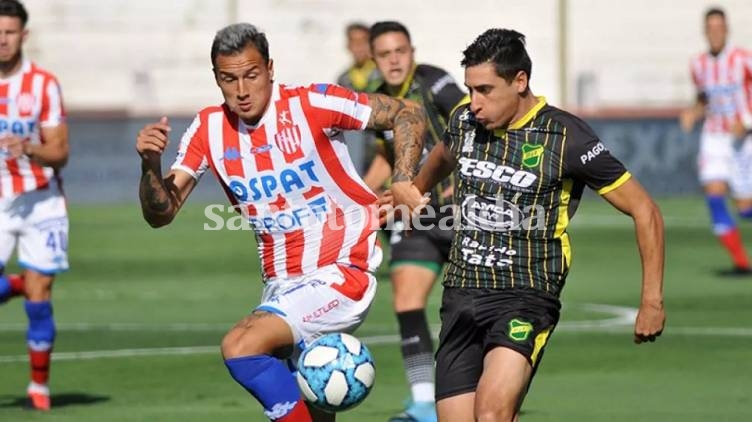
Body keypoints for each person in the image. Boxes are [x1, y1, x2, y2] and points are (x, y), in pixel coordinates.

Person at [135, 23, 425, 422]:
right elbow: (161, 213)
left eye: (251, 75)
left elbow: (407, 112)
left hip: (341, 273)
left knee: (241, 345)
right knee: (312, 408)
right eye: (228, 79)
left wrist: (404, 178)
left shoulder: (311, 105)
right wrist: (150, 165)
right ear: (216, 78)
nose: (241, 90)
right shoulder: (209, 129)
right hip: (281, 285)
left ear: (270, 69)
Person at [409, 29, 666, 421]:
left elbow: (645, 209)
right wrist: (415, 192)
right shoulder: (464, 121)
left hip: (525, 294)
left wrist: (650, 301)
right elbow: (444, 154)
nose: (474, 103)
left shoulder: (566, 137)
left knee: (492, 413)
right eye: (470, 89)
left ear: (520, 81)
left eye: (485, 90)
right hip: (461, 293)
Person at [361, 20, 465, 422]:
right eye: (385, 54)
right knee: (406, 298)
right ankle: (424, 403)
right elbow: (386, 159)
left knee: (470, 308)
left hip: (461, 211)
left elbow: (465, 121)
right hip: (416, 216)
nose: (394, 60)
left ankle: (476, 392)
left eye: (400, 51)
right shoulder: (377, 103)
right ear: (374, 59)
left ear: (412, 52)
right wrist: (360, 200)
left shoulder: (434, 82)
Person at [0, 0, 69, 412]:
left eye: (9, 32)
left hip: (41, 198)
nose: (1, 39)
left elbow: (60, 152)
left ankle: (39, 387)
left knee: (40, 297)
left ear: (23, 36)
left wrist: (29, 148)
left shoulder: (43, 85)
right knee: (32, 286)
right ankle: (21, 283)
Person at [680, 7, 752, 275]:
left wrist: (746, 123)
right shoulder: (698, 64)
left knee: (745, 209)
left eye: (719, 28)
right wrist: (693, 113)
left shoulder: (743, 59)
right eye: (710, 28)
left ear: (727, 29)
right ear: (705, 31)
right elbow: (703, 99)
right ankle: (742, 263)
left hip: (743, 140)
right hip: (714, 137)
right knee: (714, 195)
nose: (715, 33)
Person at [336, 22, 382, 176]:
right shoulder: (344, 79)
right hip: (355, 145)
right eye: (354, 42)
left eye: (363, 42)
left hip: (378, 139)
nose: (359, 47)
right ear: (348, 46)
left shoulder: (381, 73)